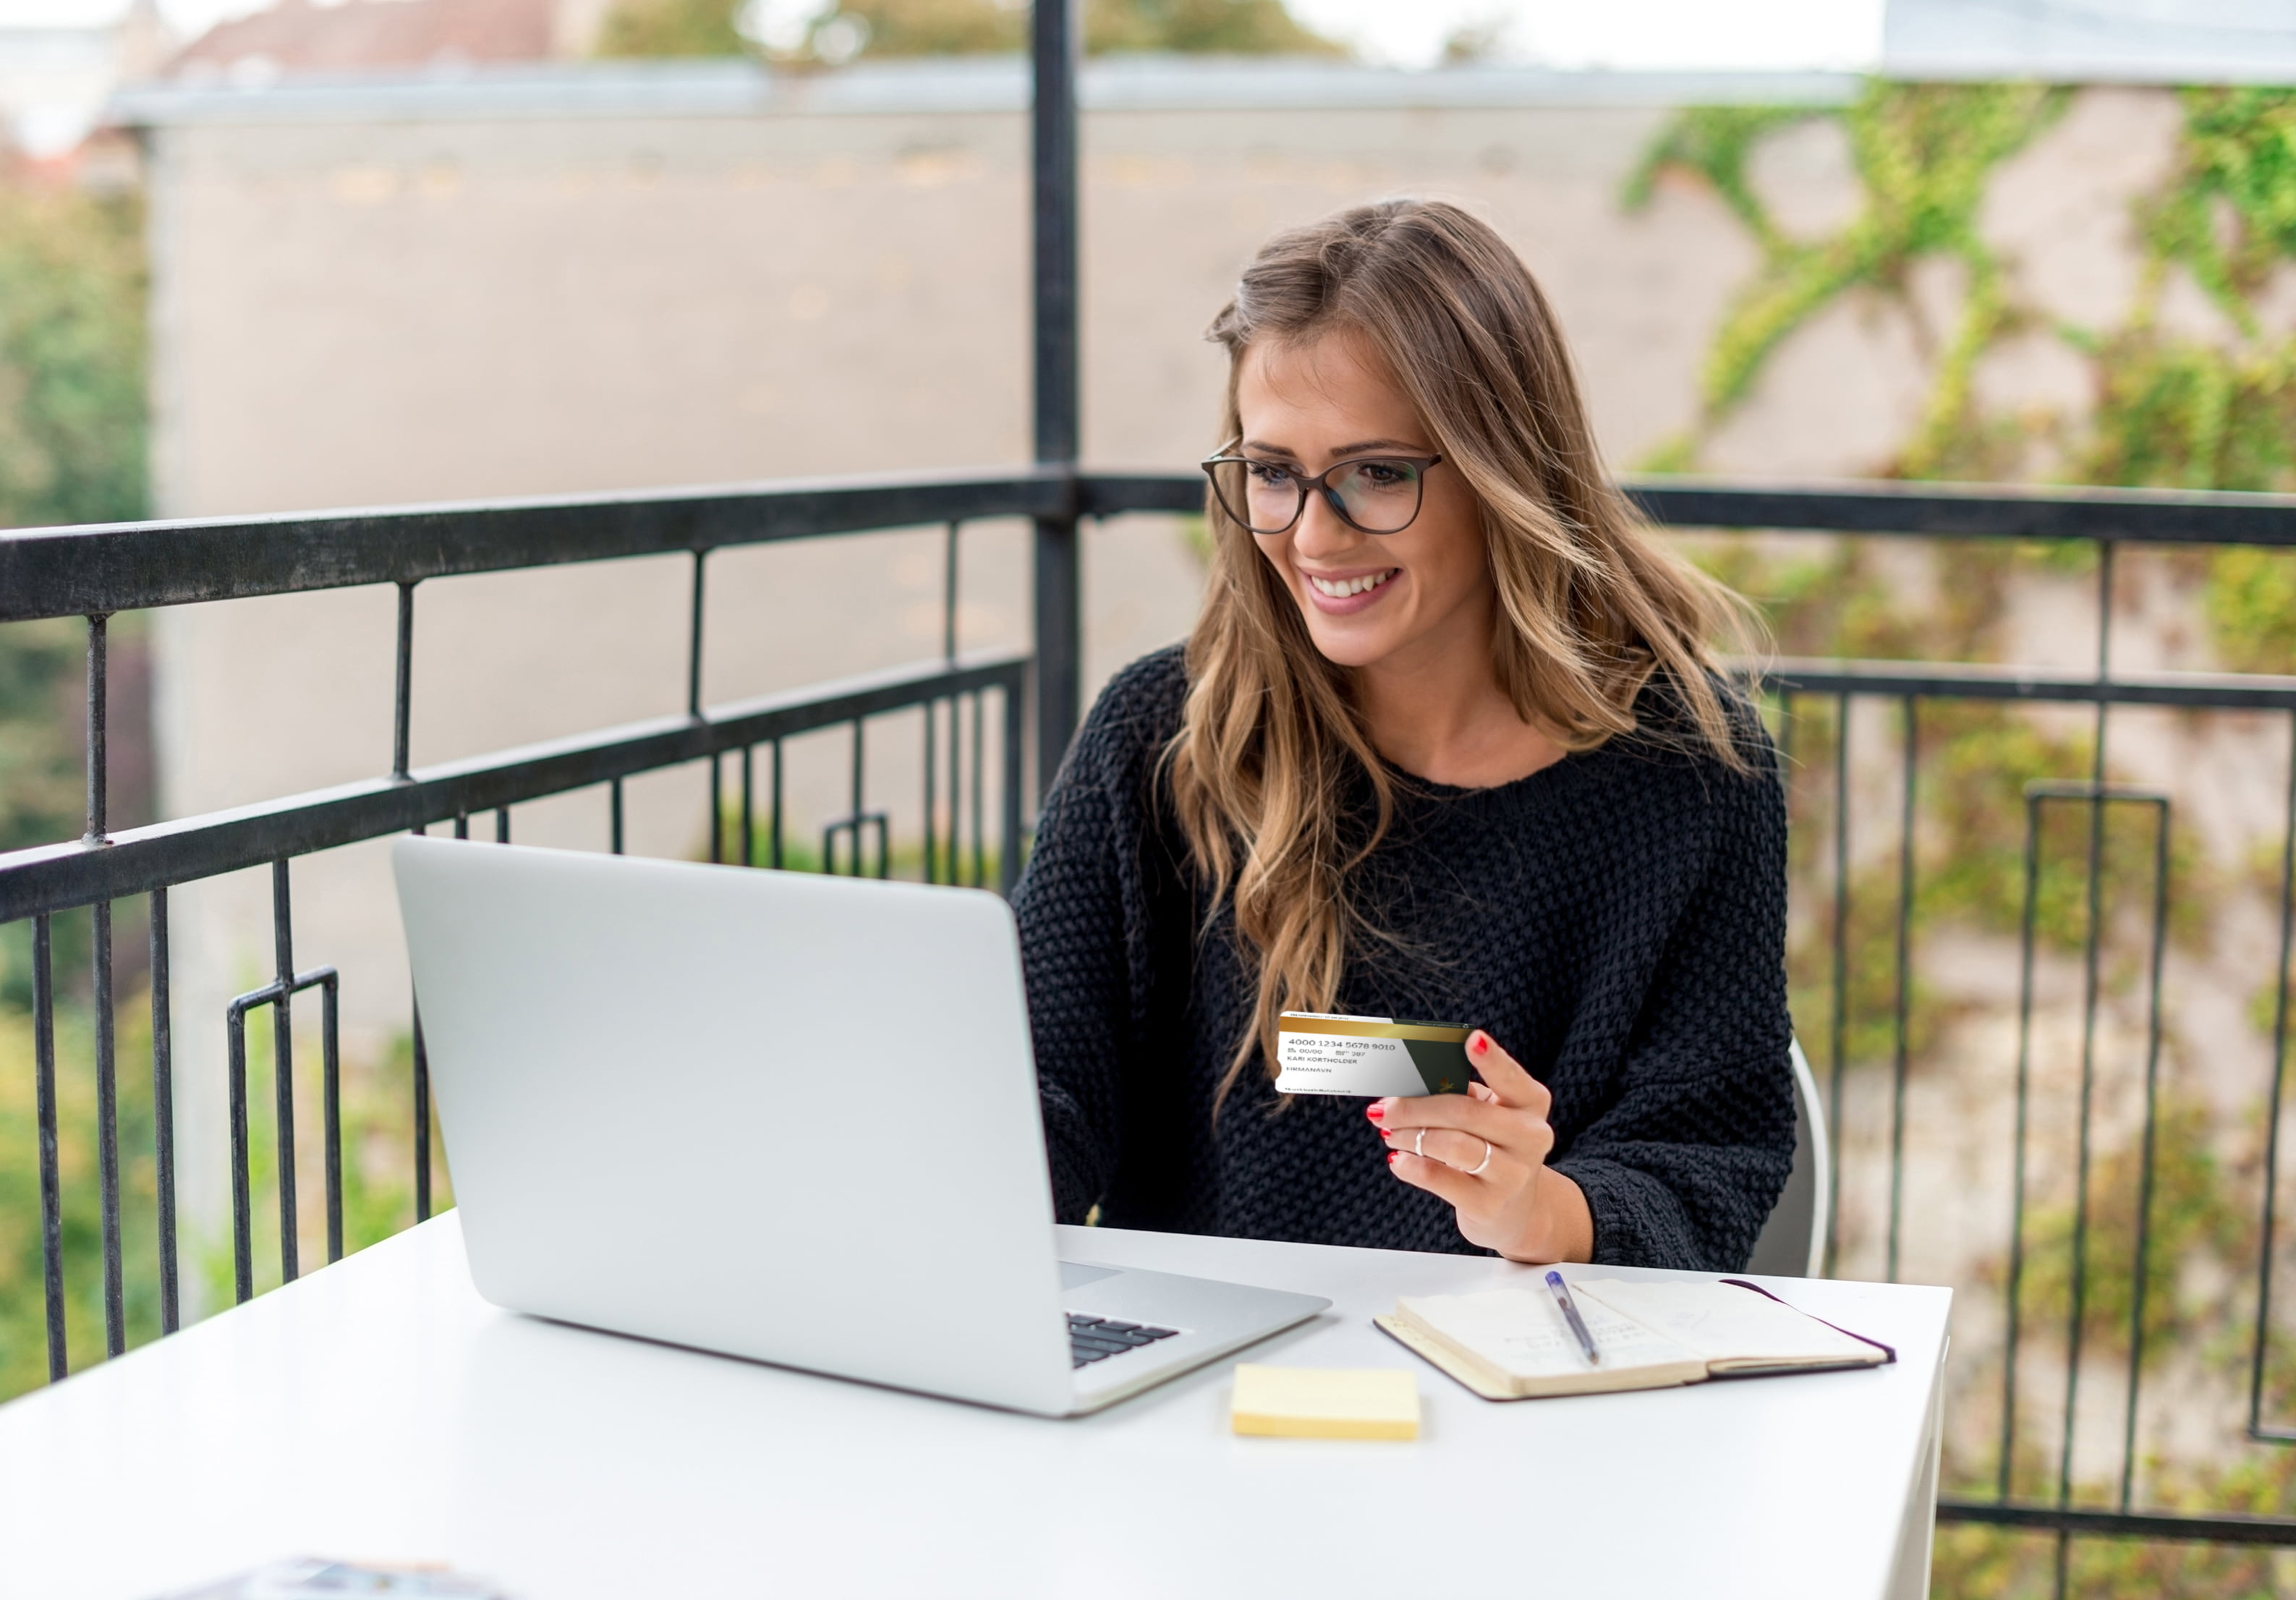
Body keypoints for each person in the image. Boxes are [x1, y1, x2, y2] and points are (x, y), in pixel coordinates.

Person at [1011, 199, 1794, 1269]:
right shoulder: (1164, 735)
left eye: (1376, 472)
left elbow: (1704, 1160)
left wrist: (1533, 1210)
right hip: (1191, 1397)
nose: (1313, 534)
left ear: (1500, 468)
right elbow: (1042, 1094)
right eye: (1273, 472)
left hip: (1517, 1394)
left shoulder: (1694, 775)